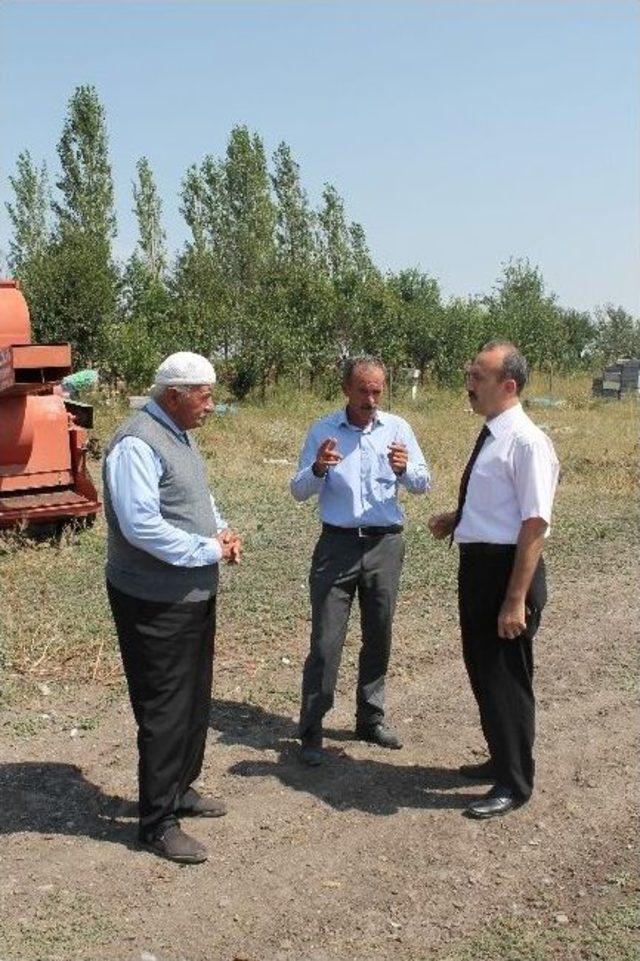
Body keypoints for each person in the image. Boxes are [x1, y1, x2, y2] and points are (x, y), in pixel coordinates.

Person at [103, 352, 241, 863]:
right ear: (175, 394)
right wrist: (209, 550)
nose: (211, 405)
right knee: (164, 708)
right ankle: (157, 822)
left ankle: (181, 788)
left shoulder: (177, 433)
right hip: (153, 598)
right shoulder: (137, 443)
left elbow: (193, 499)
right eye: (205, 395)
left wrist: (219, 530)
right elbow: (141, 526)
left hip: (189, 592)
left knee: (193, 698)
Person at [428, 341, 559, 819]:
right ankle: (501, 758)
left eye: (478, 376)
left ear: (508, 385)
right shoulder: (493, 434)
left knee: (506, 678)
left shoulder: (526, 441)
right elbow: (499, 506)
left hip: (508, 573)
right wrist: (458, 518)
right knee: (483, 671)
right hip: (478, 566)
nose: (469, 382)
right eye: (470, 372)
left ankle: (515, 783)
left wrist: (515, 598)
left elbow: (533, 524)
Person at [291, 356, 430, 765]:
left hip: (385, 546)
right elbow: (298, 490)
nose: (370, 399)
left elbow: (424, 482)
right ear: (346, 390)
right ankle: (312, 730)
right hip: (337, 546)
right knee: (326, 641)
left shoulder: (398, 429)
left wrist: (405, 471)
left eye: (377, 391)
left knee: (379, 633)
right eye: (363, 391)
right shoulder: (324, 430)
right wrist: (317, 468)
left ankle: (370, 718)